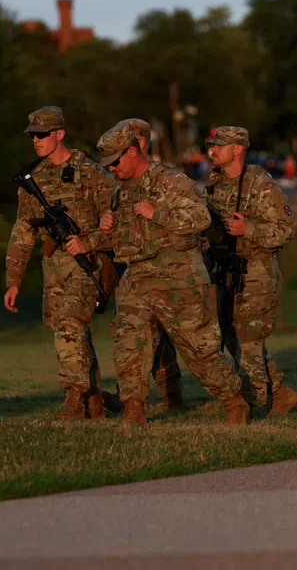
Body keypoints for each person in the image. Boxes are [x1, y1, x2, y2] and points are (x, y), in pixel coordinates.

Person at [69, 122, 248, 425]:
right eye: (108, 165)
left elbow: (200, 217)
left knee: (199, 352)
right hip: (137, 277)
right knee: (129, 344)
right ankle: (133, 410)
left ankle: (234, 401)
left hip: (178, 277)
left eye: (116, 162)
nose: (112, 169)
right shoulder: (121, 191)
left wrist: (157, 213)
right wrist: (101, 234)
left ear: (133, 150)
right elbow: (127, 236)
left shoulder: (170, 181)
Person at [4, 106, 111, 421]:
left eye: (42, 135)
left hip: (87, 264)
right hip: (54, 269)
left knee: (69, 326)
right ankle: (94, 403)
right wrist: (14, 280)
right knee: (73, 334)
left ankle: (73, 402)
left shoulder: (91, 171)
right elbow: (23, 232)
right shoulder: (32, 178)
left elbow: (118, 220)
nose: (36, 141)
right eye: (32, 136)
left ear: (59, 134)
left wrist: (90, 242)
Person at [204, 126, 297, 416]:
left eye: (219, 145)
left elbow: (286, 231)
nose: (213, 150)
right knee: (232, 338)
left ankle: (252, 403)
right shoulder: (215, 183)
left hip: (256, 272)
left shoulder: (262, 185)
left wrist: (250, 229)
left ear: (238, 149)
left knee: (249, 339)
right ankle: (281, 393)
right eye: (213, 145)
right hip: (226, 270)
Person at [110, 118, 185, 413]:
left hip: (169, 269)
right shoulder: (121, 183)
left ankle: (173, 394)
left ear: (141, 143)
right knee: (133, 334)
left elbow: (190, 221)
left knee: (174, 338)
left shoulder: (168, 177)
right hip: (134, 269)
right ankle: (132, 401)